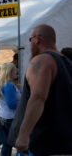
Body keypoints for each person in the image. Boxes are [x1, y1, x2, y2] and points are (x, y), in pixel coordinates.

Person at [8, 24, 72, 155]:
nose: (30, 44)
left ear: (37, 39)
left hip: (42, 145)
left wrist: (23, 135)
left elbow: (38, 97)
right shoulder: (68, 64)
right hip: (63, 143)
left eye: (30, 40)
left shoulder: (42, 60)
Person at [0, 62, 21, 156]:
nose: (16, 71)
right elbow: (11, 104)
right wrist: (24, 103)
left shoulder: (5, 84)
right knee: (8, 144)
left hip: (5, 117)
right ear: (9, 72)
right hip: (9, 119)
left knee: (7, 144)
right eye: (15, 70)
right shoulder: (8, 86)